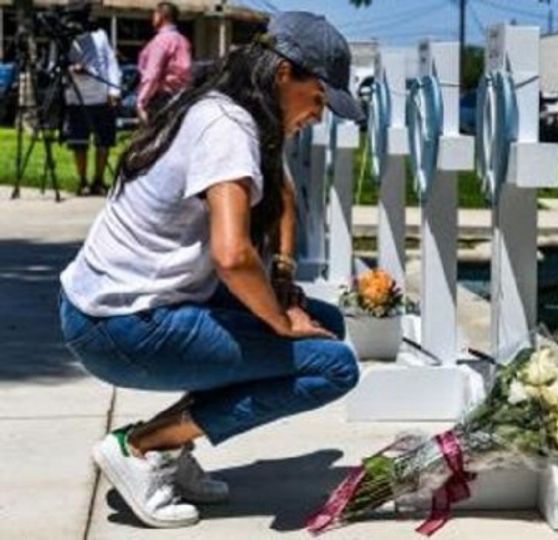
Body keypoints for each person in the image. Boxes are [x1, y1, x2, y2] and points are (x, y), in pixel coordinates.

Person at [59, 12, 365, 528]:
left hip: (130, 308)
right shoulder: (227, 126)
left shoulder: (235, 111)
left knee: (327, 327)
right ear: (284, 73)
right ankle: (141, 446)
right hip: (120, 325)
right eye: (319, 99)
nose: (319, 115)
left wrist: (285, 278)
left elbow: (283, 195)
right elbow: (232, 255)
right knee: (333, 366)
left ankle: (170, 448)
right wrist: (278, 321)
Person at [63, 0, 122, 196]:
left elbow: (111, 62)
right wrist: (72, 70)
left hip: (101, 96)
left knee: (104, 142)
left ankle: (99, 179)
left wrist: (114, 91)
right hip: (76, 98)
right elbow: (58, 65)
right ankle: (82, 181)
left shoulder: (101, 36)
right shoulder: (66, 38)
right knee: (79, 143)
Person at [137, 2, 192, 121]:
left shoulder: (161, 40)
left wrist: (142, 101)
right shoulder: (183, 40)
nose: (153, 17)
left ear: (162, 16)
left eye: (155, 14)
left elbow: (152, 73)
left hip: (163, 100)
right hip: (183, 98)